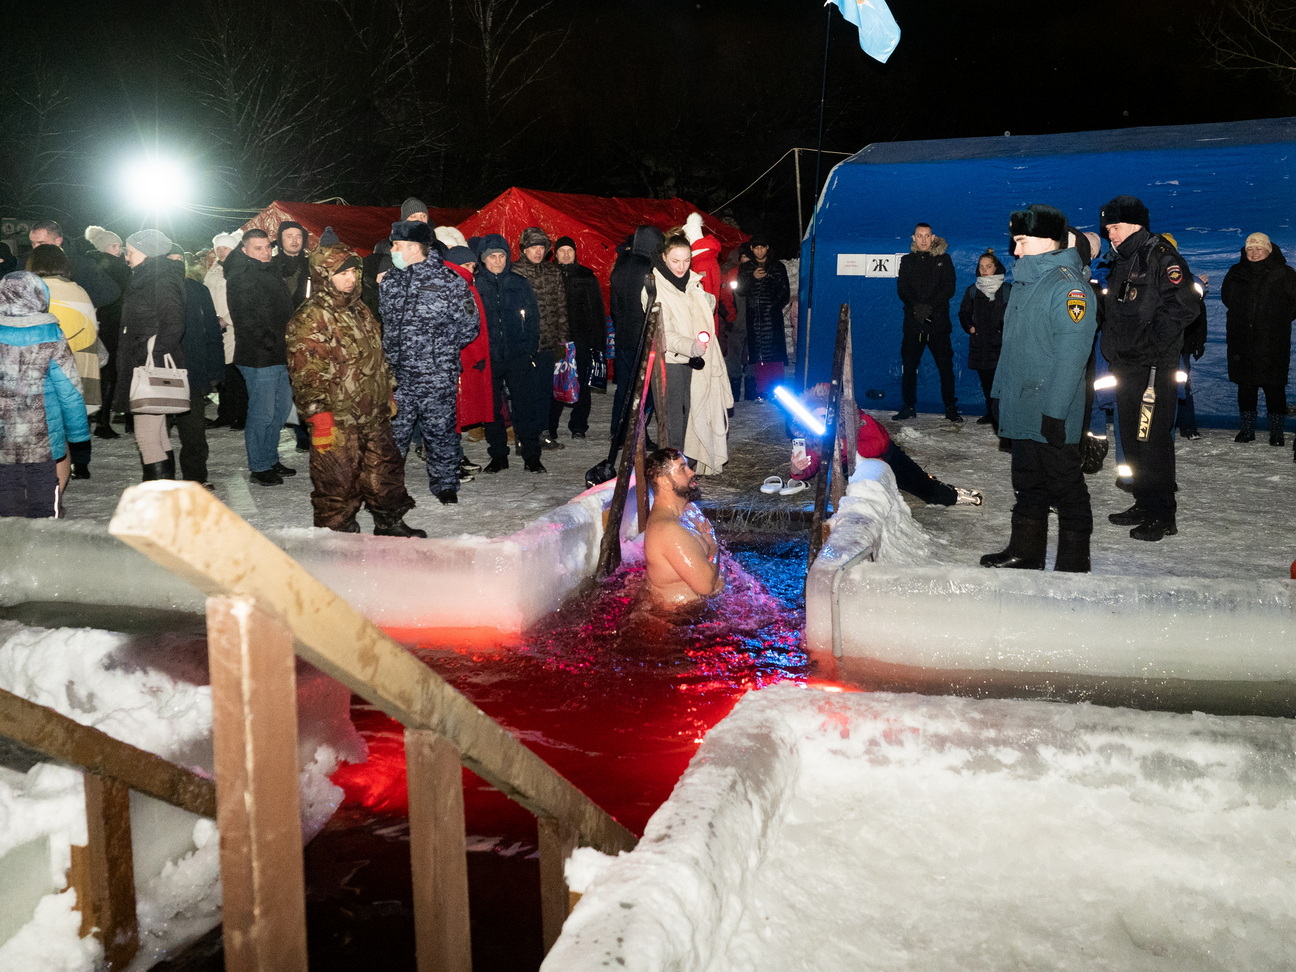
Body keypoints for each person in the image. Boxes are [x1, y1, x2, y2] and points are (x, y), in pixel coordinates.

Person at [981, 204, 1097, 572]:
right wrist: (998, 395)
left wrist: (1057, 413)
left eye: (1021, 241)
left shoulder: (1068, 287)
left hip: (1050, 408)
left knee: (1066, 488)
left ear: (1048, 240)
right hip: (1020, 403)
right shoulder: (1024, 285)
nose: (1014, 251)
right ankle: (1025, 552)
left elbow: (1072, 358)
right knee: (1027, 482)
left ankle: (1073, 564)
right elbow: (1011, 350)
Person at [288, 242, 426, 537]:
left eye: (353, 271)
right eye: (342, 273)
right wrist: (319, 417)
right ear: (324, 276)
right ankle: (337, 532)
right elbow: (306, 374)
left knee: (384, 470)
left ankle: (389, 522)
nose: (350, 278)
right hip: (337, 417)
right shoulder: (310, 317)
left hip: (372, 409)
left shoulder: (360, 309)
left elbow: (377, 355)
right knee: (337, 478)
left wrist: (387, 390)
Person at [1099, 195, 1201, 541]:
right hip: (1128, 365)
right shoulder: (1124, 261)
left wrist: (1153, 343)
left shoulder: (1161, 256)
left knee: (1153, 440)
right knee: (1131, 437)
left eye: (1114, 227)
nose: (1109, 234)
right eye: (1108, 228)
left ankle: (1162, 514)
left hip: (1153, 367)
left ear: (1134, 224)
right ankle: (1144, 502)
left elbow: (1186, 305)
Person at [379, 220, 479, 503]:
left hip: (435, 375)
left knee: (440, 433)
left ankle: (446, 485)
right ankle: (389, 488)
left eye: (397, 245)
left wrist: (440, 351)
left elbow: (470, 326)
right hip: (397, 376)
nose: (393, 250)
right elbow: (386, 324)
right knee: (393, 436)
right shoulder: (390, 281)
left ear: (413, 247)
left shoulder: (449, 281)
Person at [788, 385, 982, 506]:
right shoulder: (813, 435)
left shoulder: (857, 420)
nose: (821, 422)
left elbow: (879, 444)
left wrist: (845, 446)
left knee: (922, 488)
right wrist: (798, 470)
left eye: (824, 416)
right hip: (857, 470)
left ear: (835, 414)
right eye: (815, 418)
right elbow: (811, 462)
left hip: (888, 458)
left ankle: (953, 495)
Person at [0, 272, 89, 517]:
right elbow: (68, 390)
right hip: (43, 436)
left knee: (6, 487)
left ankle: (11, 543)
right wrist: (78, 432)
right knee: (44, 487)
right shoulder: (52, 335)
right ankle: (46, 542)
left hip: (3, 433)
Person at [648, 229, 732, 474]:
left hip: (697, 360)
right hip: (672, 362)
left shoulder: (691, 282)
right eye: (675, 260)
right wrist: (691, 346)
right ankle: (674, 469)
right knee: (674, 418)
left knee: (697, 411)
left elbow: (700, 310)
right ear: (664, 257)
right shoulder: (655, 288)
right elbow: (664, 332)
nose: (681, 266)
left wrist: (707, 301)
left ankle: (691, 461)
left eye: (686, 260)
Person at [225, 229, 298, 486]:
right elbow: (247, 319)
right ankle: (259, 465)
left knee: (280, 411)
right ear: (244, 250)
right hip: (259, 355)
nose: (265, 252)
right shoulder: (242, 276)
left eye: (268, 247)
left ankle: (270, 457)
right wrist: (269, 342)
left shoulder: (269, 271)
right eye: (258, 248)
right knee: (263, 413)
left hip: (278, 353)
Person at [116, 229, 187, 481]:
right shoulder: (149, 277)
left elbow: (174, 323)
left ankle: (158, 498)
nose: (126, 256)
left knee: (146, 436)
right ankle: (166, 493)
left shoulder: (159, 279)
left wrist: (152, 353)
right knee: (157, 434)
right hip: (143, 362)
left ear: (146, 252)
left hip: (148, 366)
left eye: (130, 251)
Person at [474, 234, 547, 473]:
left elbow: (533, 318)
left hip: (518, 355)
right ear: (483, 260)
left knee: (526, 407)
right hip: (489, 358)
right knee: (492, 410)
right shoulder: (476, 286)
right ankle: (498, 456)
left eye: (501, 256)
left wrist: (529, 350)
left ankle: (531, 456)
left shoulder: (519, 283)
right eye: (492, 257)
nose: (497, 261)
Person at [27, 244, 98, 484]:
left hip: (44, 373)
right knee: (67, 432)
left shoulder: (34, 291)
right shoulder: (80, 291)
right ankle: (66, 484)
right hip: (78, 370)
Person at [1220, 232, 1296, 448]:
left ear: (1268, 250)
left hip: (1273, 340)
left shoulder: (1284, 273)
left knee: (1275, 387)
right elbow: (1227, 298)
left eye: (1258, 249)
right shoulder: (1236, 272)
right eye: (1249, 249)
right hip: (1241, 340)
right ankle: (1247, 430)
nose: (1253, 253)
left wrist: (1278, 319)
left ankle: (1277, 432)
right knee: (1245, 386)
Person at [167, 246, 223, 489]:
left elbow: (212, 332)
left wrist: (215, 369)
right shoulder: (154, 291)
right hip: (162, 370)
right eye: (171, 261)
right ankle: (161, 480)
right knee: (158, 432)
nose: (176, 265)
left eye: (180, 260)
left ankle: (196, 477)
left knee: (194, 431)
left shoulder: (198, 290)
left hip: (193, 370)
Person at [642, 447, 724, 607]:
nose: (691, 472)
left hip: (700, 612)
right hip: (680, 620)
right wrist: (713, 545)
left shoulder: (689, 509)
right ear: (664, 482)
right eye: (682, 469)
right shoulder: (667, 530)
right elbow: (706, 586)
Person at [512, 227, 571, 451]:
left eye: (541, 247)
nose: (537, 251)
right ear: (524, 249)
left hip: (548, 343)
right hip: (524, 346)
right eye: (533, 247)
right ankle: (522, 435)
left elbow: (561, 307)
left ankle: (543, 432)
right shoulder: (515, 272)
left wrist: (563, 340)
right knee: (522, 393)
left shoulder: (552, 272)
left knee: (545, 391)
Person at [895, 222, 960, 422]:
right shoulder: (906, 261)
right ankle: (908, 406)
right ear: (913, 238)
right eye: (919, 235)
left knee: (945, 368)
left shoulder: (944, 259)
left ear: (933, 237)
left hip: (938, 324)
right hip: (914, 324)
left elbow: (949, 288)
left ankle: (950, 408)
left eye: (927, 235)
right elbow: (902, 288)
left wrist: (929, 307)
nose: (923, 239)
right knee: (909, 366)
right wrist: (917, 307)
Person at [609, 226, 663, 439]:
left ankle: (619, 430)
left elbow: (614, 307)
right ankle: (637, 434)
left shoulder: (620, 267)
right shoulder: (650, 270)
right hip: (644, 338)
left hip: (624, 337)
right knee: (645, 390)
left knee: (625, 387)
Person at [83, 225, 133, 440]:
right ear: (103, 247)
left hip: (94, 323)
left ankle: (91, 417)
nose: (119, 250)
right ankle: (103, 421)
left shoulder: (89, 266)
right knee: (111, 371)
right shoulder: (117, 267)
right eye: (115, 245)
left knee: (92, 371)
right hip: (114, 324)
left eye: (120, 246)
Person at [553, 236, 605, 440]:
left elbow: (597, 311)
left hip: (582, 338)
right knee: (556, 381)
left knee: (581, 382)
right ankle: (551, 425)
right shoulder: (549, 275)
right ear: (555, 254)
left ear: (575, 253)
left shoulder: (586, 276)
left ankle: (579, 425)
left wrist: (598, 343)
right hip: (558, 339)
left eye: (570, 250)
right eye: (562, 251)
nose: (566, 254)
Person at [958, 249, 1010, 427]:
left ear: (996, 267)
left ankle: (1004, 415)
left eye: (988, 266)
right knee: (987, 382)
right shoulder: (972, 291)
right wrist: (970, 328)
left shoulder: (1007, 290)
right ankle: (991, 412)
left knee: (1003, 382)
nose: (984, 270)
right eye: (981, 267)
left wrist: (1006, 332)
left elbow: (1016, 314)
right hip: (981, 345)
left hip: (1002, 345)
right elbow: (963, 313)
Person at [734, 234, 789, 401]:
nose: (759, 251)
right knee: (759, 356)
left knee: (775, 355)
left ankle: (778, 390)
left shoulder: (777, 266)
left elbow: (784, 291)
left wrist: (772, 306)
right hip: (755, 319)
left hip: (772, 318)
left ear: (767, 248)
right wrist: (752, 278)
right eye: (756, 247)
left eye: (762, 247)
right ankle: (763, 390)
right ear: (751, 249)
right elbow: (741, 290)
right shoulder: (745, 268)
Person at [204, 231, 247, 430]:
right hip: (215, 326)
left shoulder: (239, 269)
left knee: (235, 373)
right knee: (222, 374)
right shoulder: (213, 270)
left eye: (226, 247)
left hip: (233, 327)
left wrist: (227, 319)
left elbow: (242, 298)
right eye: (218, 248)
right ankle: (226, 414)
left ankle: (241, 415)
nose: (221, 252)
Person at [27, 220, 120, 310]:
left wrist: (80, 305)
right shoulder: (26, 262)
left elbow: (111, 292)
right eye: (33, 243)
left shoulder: (81, 264)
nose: (35, 247)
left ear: (58, 241)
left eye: (41, 243)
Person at [273, 221, 311, 307]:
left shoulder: (311, 265)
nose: (295, 241)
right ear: (281, 239)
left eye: (299, 237)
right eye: (289, 237)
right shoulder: (271, 266)